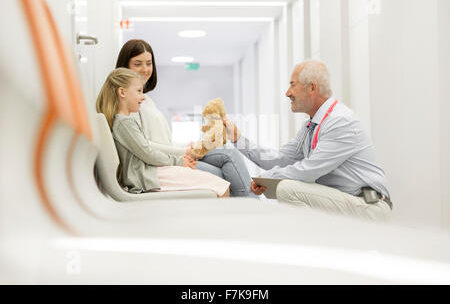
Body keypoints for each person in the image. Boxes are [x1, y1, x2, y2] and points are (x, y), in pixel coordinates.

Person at [224, 60, 392, 221]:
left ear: (312, 87)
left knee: (287, 189)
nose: (287, 93)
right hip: (348, 202)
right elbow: (279, 159)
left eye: (292, 85)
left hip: (368, 206)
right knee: (286, 188)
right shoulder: (311, 125)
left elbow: (309, 170)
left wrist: (268, 177)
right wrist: (238, 139)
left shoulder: (340, 121)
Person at [114, 39, 253, 197]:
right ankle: (252, 207)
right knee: (222, 176)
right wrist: (185, 152)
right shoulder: (130, 104)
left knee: (230, 154)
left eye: (148, 63)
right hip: (161, 164)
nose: (145, 69)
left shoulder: (146, 100)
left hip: (172, 155)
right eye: (138, 64)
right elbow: (145, 146)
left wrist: (189, 146)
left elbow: (161, 140)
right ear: (125, 66)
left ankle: (252, 205)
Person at [96, 67, 230, 197]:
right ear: (122, 92)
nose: (143, 97)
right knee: (221, 186)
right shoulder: (124, 123)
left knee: (218, 184)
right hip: (147, 178)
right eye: (139, 91)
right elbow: (148, 153)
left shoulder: (124, 122)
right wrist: (179, 162)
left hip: (150, 174)